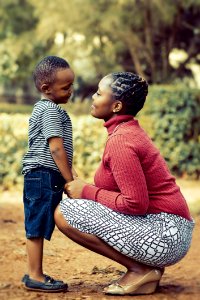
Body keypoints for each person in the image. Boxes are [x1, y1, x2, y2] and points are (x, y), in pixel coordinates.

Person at [54, 71, 195, 295]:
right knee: (76, 207)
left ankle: (140, 270)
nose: (93, 97)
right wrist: (83, 186)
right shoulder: (125, 131)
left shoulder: (121, 140)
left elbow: (135, 203)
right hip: (168, 228)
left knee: (65, 213)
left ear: (117, 106)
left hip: (167, 234)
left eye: (99, 93)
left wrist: (87, 191)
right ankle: (145, 269)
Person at [21, 55, 76, 292]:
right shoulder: (51, 111)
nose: (71, 91)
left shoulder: (43, 108)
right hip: (43, 175)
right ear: (46, 88)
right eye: (66, 87)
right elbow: (55, 147)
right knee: (37, 224)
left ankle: (35, 273)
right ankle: (35, 276)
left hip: (41, 175)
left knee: (38, 222)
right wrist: (70, 180)